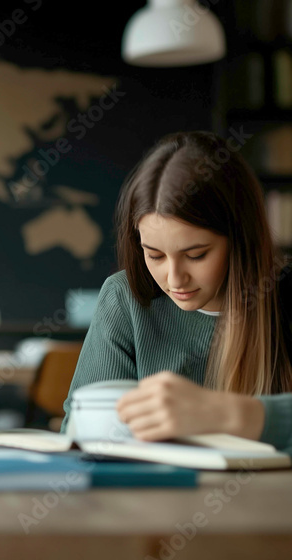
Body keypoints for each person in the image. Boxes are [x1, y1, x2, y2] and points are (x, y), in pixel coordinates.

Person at [61, 131, 292, 453]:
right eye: (154, 255)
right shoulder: (124, 298)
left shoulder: (282, 295)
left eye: (196, 255)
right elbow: (81, 432)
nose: (174, 279)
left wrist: (227, 415)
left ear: (240, 239)